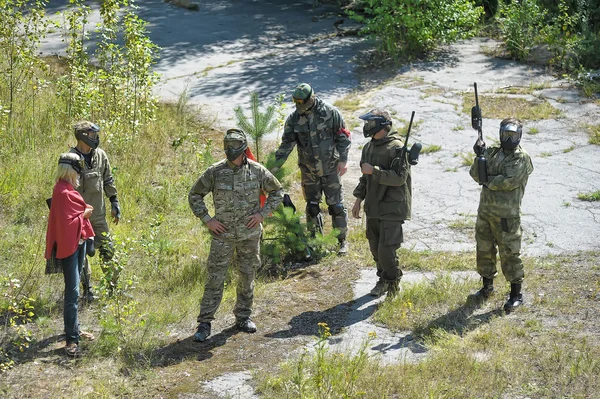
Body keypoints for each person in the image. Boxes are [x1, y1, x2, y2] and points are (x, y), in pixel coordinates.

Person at [189, 129, 284, 342]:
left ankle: (243, 317)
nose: (230, 151)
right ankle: (205, 323)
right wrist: (207, 219)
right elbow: (195, 195)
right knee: (215, 278)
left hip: (249, 235)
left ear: (242, 148)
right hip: (223, 236)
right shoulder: (215, 172)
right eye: (227, 146)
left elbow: (277, 192)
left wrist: (262, 214)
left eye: (234, 146)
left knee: (247, 276)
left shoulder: (258, 171)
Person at [271, 83, 352, 255]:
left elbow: (343, 136)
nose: (300, 107)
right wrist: (274, 167)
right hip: (309, 170)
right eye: (297, 103)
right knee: (313, 206)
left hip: (330, 168)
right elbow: (286, 144)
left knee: (336, 206)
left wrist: (343, 160)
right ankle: (315, 242)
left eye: (303, 102)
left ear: (312, 98)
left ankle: (342, 241)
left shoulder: (330, 113)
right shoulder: (293, 119)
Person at [470, 118, 534, 313]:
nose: (509, 139)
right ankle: (487, 286)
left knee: (510, 254)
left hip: (507, 217)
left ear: (520, 136)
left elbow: (507, 182)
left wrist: (486, 179)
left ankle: (516, 294)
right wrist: (479, 156)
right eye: (506, 134)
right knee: (484, 250)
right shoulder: (492, 153)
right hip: (486, 213)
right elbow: (474, 173)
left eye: (513, 135)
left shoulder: (520, 158)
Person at [352, 109, 412, 297]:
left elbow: (399, 178)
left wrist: (374, 172)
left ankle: (393, 283)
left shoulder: (397, 147)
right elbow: (365, 178)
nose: (366, 127)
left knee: (386, 250)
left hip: (392, 207)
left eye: (370, 123)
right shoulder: (369, 147)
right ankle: (383, 279)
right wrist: (358, 199)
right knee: (375, 246)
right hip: (374, 205)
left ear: (381, 125)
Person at [45, 153, 96, 356]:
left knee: (73, 292)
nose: (79, 174)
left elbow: (71, 216)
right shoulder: (62, 191)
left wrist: (82, 214)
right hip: (70, 246)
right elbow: (67, 223)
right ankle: (71, 340)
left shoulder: (65, 189)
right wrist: (84, 214)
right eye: (77, 170)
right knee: (72, 293)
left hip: (78, 242)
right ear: (71, 170)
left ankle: (75, 329)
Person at [69, 121, 121, 300]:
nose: (96, 138)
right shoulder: (71, 158)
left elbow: (108, 179)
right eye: (92, 135)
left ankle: (112, 288)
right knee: (81, 255)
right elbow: (65, 188)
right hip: (80, 217)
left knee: (108, 249)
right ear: (82, 136)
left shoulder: (100, 155)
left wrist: (114, 201)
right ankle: (87, 289)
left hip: (98, 215)